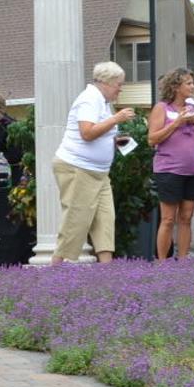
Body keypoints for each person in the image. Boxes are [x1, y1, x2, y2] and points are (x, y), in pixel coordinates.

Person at [51, 62, 134, 264]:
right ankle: (54, 271)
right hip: (78, 168)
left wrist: (115, 142)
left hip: (99, 172)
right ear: (107, 82)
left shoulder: (103, 102)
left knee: (105, 220)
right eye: (119, 84)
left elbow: (99, 133)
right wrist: (116, 119)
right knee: (76, 220)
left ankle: (106, 274)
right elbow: (87, 133)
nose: (120, 89)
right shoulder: (89, 99)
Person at [147, 68, 194, 260]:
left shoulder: (193, 108)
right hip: (169, 171)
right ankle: (162, 264)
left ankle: (182, 263)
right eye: (189, 83)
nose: (193, 86)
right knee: (168, 219)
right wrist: (177, 123)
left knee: (186, 218)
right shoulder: (162, 108)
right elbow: (152, 139)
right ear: (176, 87)